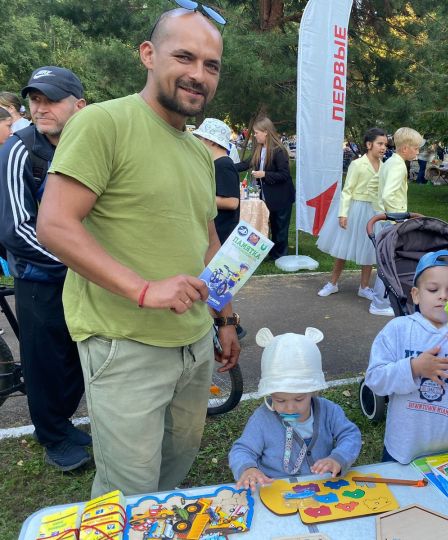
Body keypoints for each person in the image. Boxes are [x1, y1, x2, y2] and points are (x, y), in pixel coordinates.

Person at [37, 7, 240, 498]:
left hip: (192, 341)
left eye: (210, 64)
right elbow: (55, 224)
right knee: (127, 488)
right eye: (185, 56)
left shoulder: (197, 150)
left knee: (174, 468)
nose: (198, 74)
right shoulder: (104, 123)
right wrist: (143, 290)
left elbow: (206, 237)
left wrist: (227, 318)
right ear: (149, 55)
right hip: (124, 342)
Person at [0, 66, 88, 471]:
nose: (39, 107)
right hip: (40, 280)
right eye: (35, 99)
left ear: (79, 105)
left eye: (50, 99)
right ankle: (53, 436)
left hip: (81, 276)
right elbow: (17, 230)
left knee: (76, 356)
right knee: (45, 362)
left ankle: (59, 424)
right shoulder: (18, 149)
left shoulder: (87, 143)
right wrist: (80, 263)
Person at [365, 250, 448, 464]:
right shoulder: (398, 330)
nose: (443, 296)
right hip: (403, 449)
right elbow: (375, 380)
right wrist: (414, 368)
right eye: (433, 289)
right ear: (416, 295)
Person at [229, 327, 361, 491]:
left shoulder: (328, 411)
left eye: (299, 399)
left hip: (323, 485)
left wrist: (338, 458)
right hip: (276, 490)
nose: (290, 408)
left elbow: (350, 435)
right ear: (270, 394)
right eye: (280, 400)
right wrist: (248, 468)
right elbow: (242, 449)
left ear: (313, 391)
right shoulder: (263, 419)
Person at [316, 128, 388, 299]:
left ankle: (364, 287)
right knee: (344, 247)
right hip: (355, 209)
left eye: (385, 144)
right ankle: (332, 283)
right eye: (380, 143)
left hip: (374, 211)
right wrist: (343, 213)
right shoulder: (357, 164)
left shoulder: (384, 166)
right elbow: (347, 191)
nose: (383, 147)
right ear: (369, 144)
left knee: (369, 248)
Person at [369, 127, 424, 316]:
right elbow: (388, 194)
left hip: (388, 218)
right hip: (393, 220)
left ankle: (382, 300)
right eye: (416, 148)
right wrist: (398, 218)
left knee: (387, 260)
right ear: (405, 148)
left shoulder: (391, 162)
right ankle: (380, 303)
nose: (418, 152)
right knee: (389, 261)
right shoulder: (398, 165)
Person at [235, 117, 294, 260]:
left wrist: (264, 174)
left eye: (256, 133)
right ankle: (273, 253)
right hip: (268, 196)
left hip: (281, 196)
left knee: (280, 228)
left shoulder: (278, 151)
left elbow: (284, 174)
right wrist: (225, 166)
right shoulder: (259, 149)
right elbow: (245, 164)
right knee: (271, 224)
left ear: (266, 132)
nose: (254, 135)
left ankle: (280, 256)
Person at [192, 118, 240, 244]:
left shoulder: (224, 164)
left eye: (201, 139)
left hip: (221, 231)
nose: (198, 142)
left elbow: (232, 202)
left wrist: (198, 198)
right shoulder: (215, 163)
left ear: (212, 141)